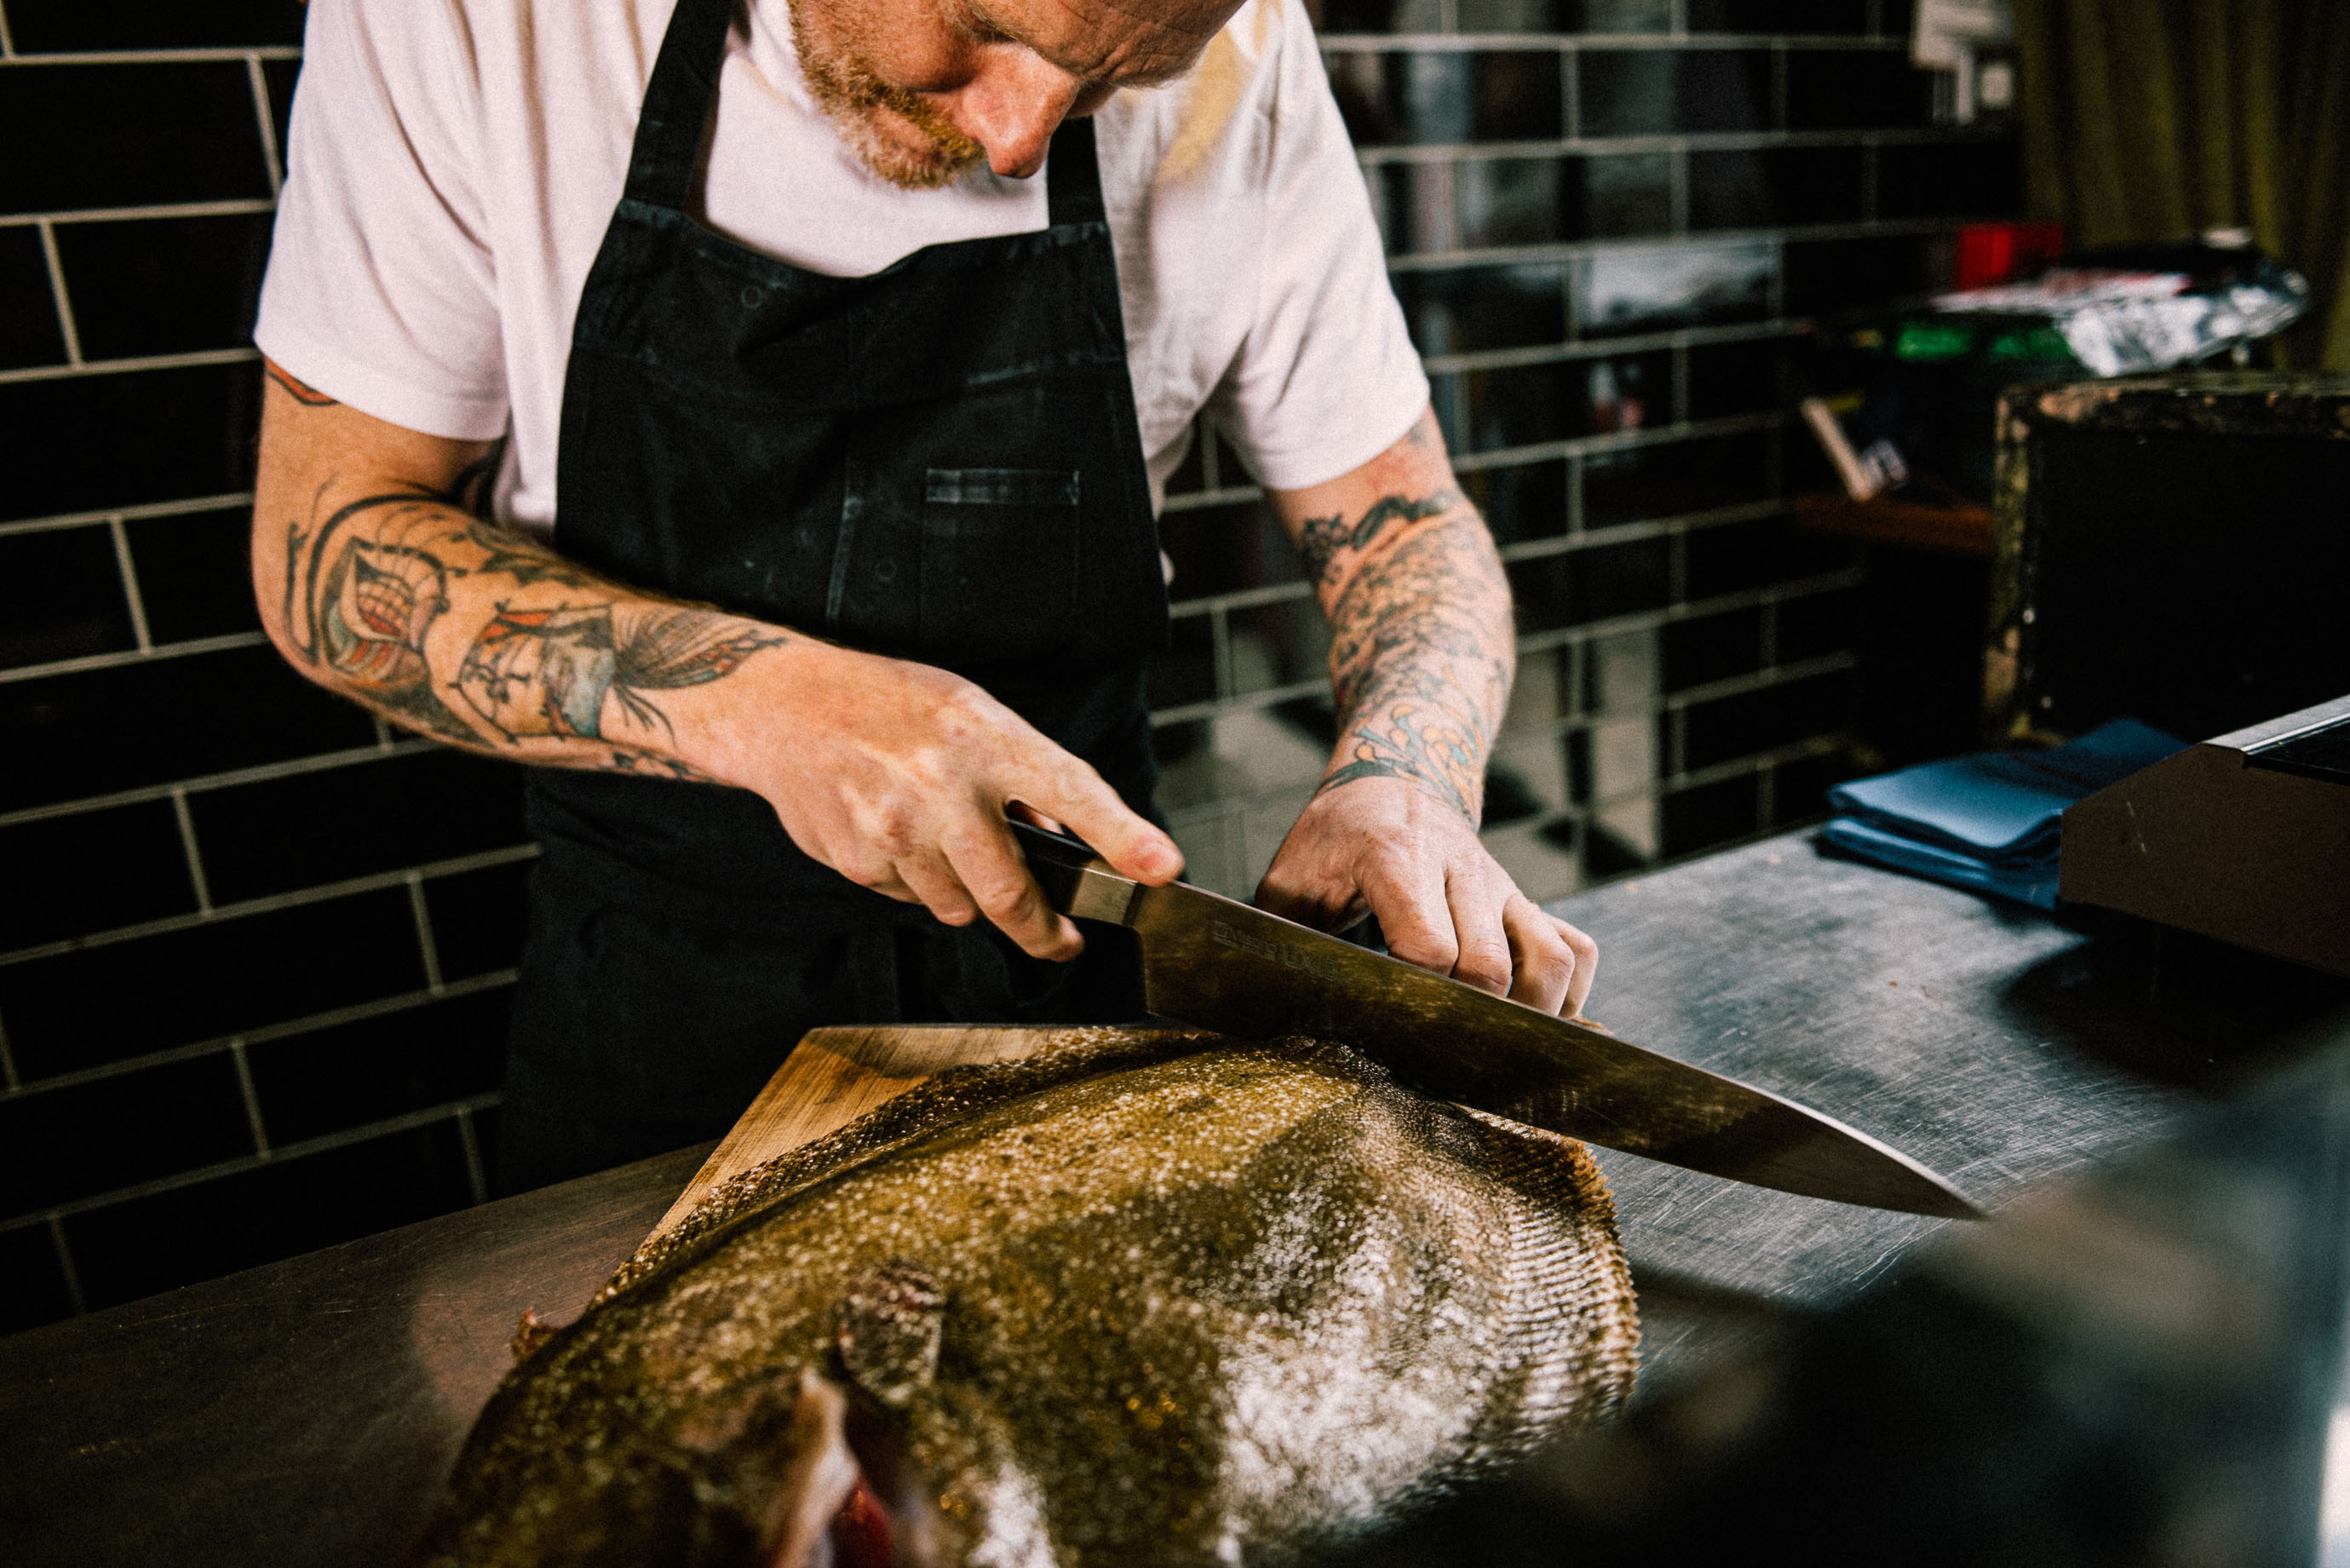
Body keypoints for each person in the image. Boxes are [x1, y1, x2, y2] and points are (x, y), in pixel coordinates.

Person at [250, 0, 1599, 1191]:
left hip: (1079, 984)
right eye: (992, 28)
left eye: (1112, 83)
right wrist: (776, 707)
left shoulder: (1243, 51)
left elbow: (1408, 524)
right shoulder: (483, 19)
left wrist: (1408, 772)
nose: (1020, 139)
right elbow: (327, 545)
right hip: (663, 1007)